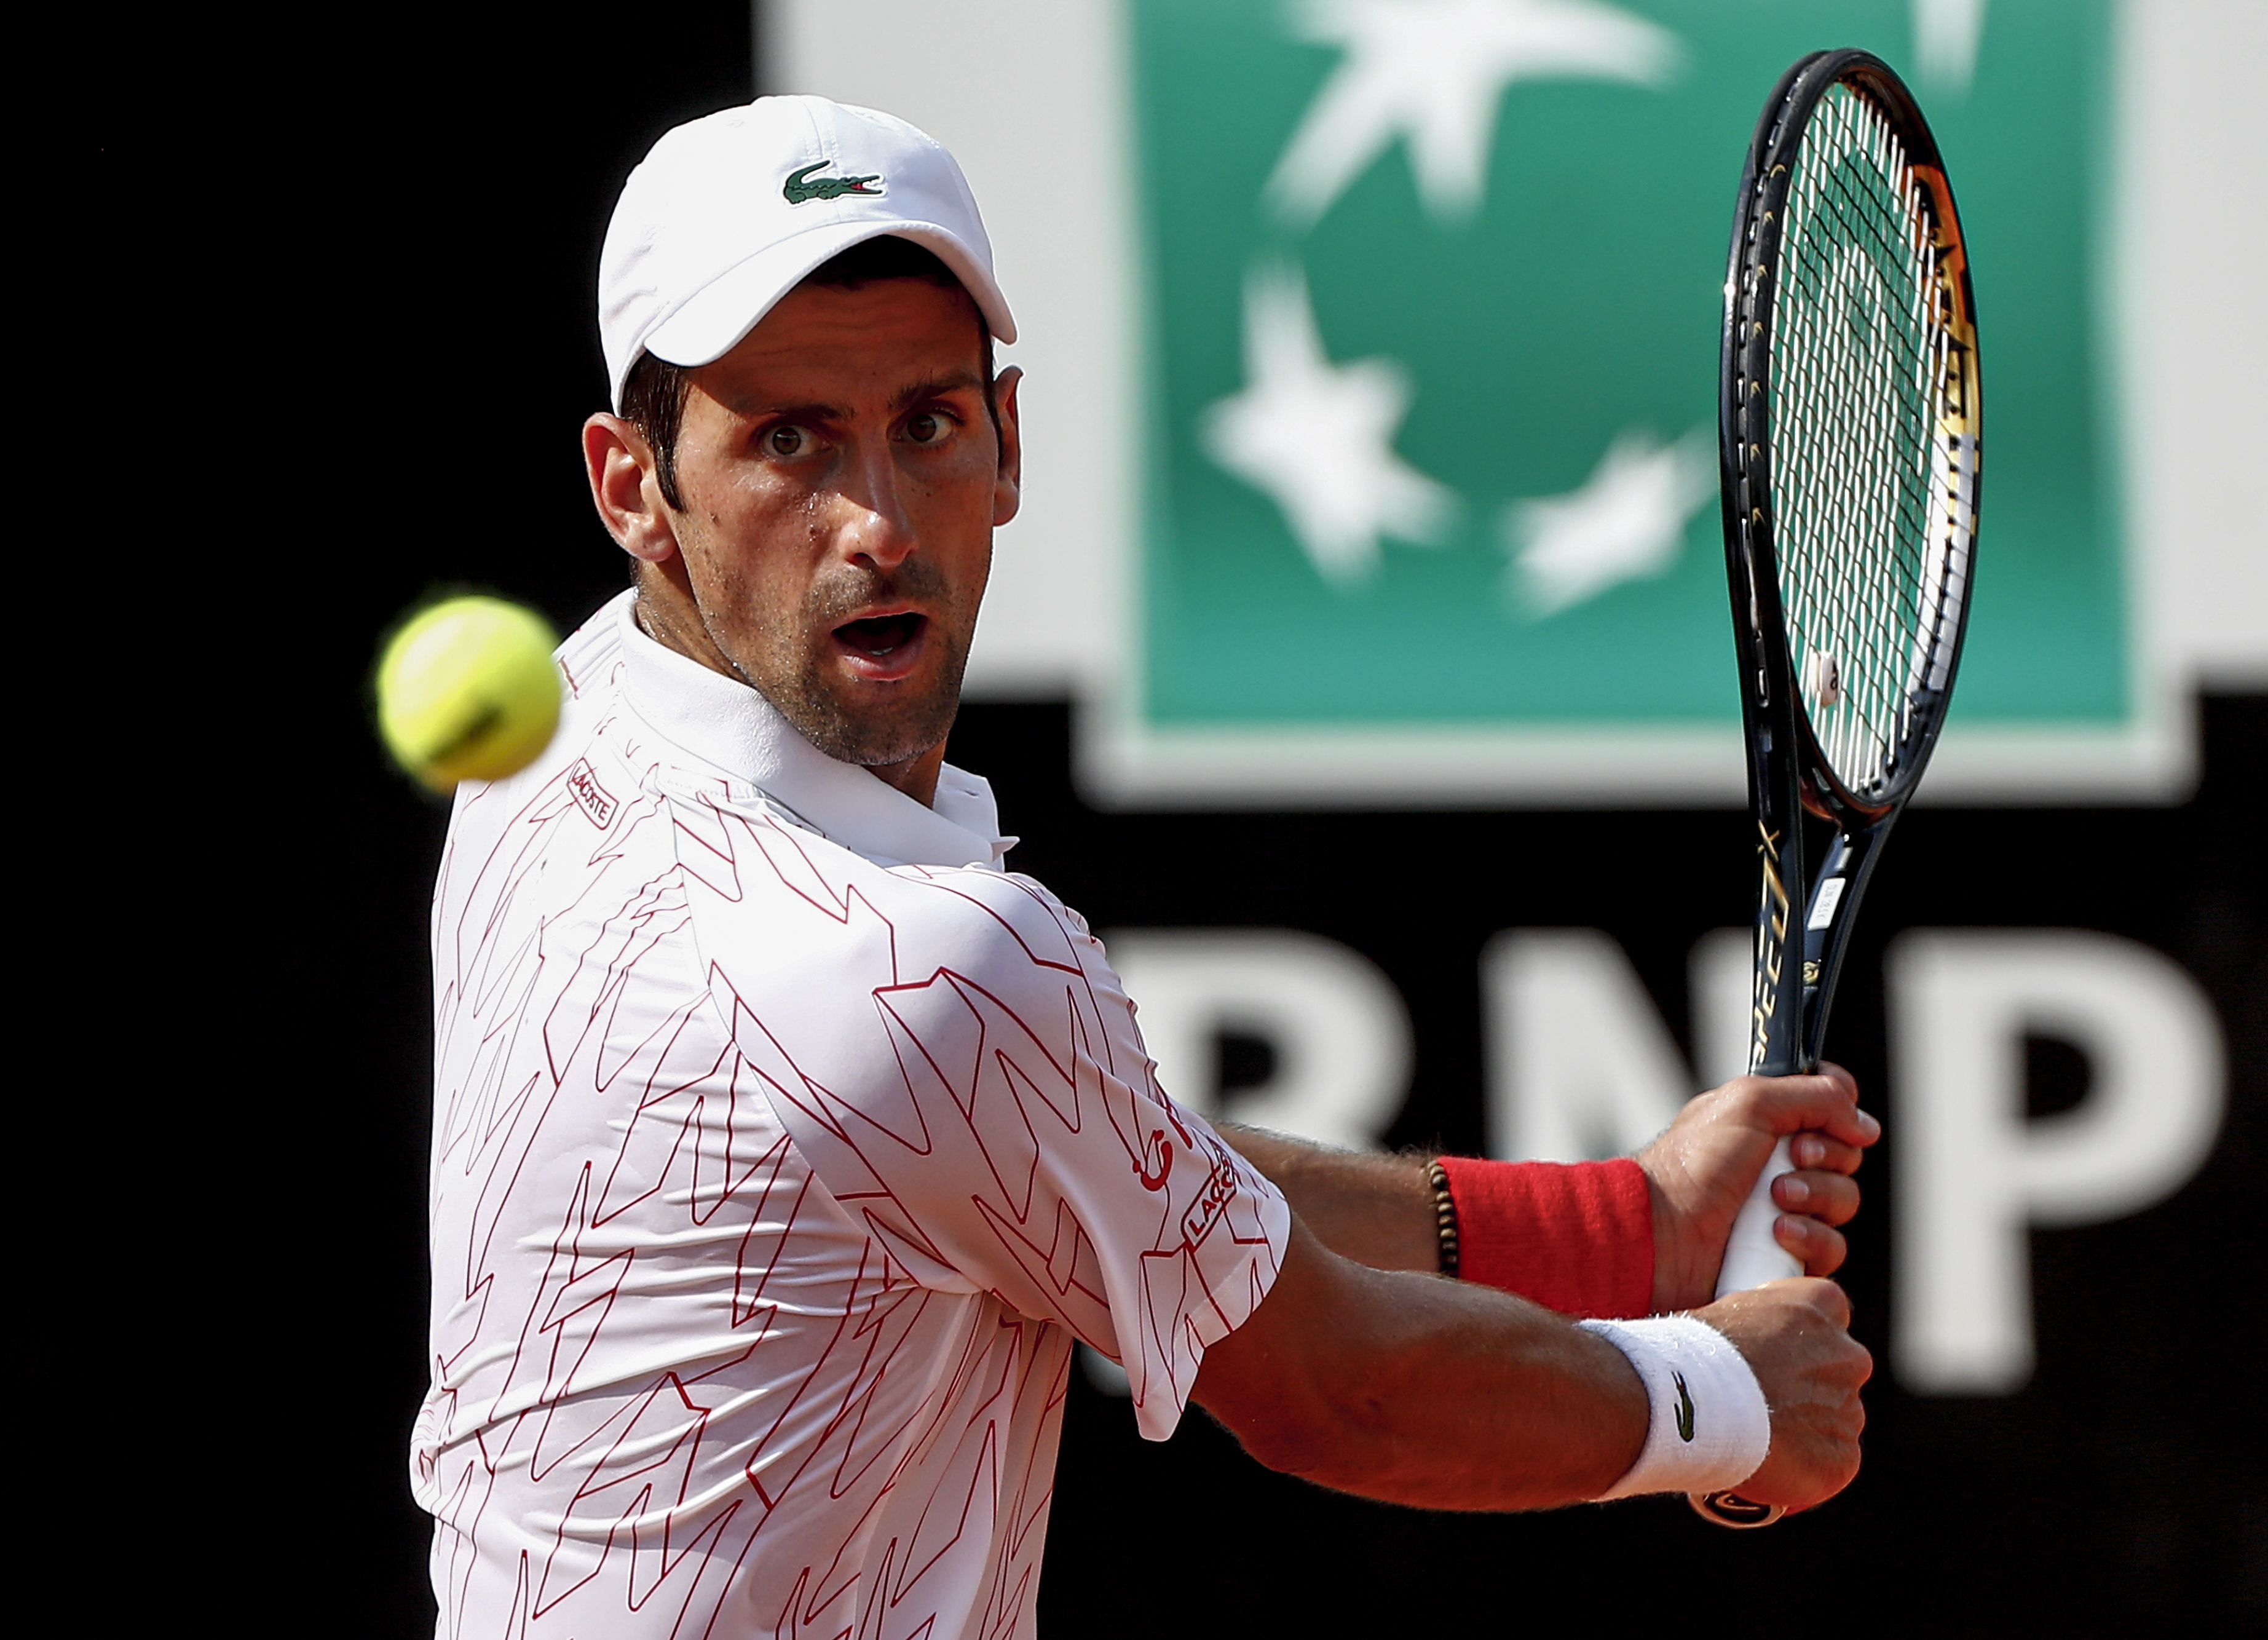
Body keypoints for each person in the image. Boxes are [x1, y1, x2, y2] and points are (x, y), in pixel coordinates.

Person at [409, 96, 1877, 1640]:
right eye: (789, 440)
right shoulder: (927, 976)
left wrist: (1618, 1224)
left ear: (1008, 439)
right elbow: (1341, 1389)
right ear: (633, 486)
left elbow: (1077, 1144)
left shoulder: (563, 733)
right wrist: (1727, 1396)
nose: (878, 523)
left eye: (926, 422)